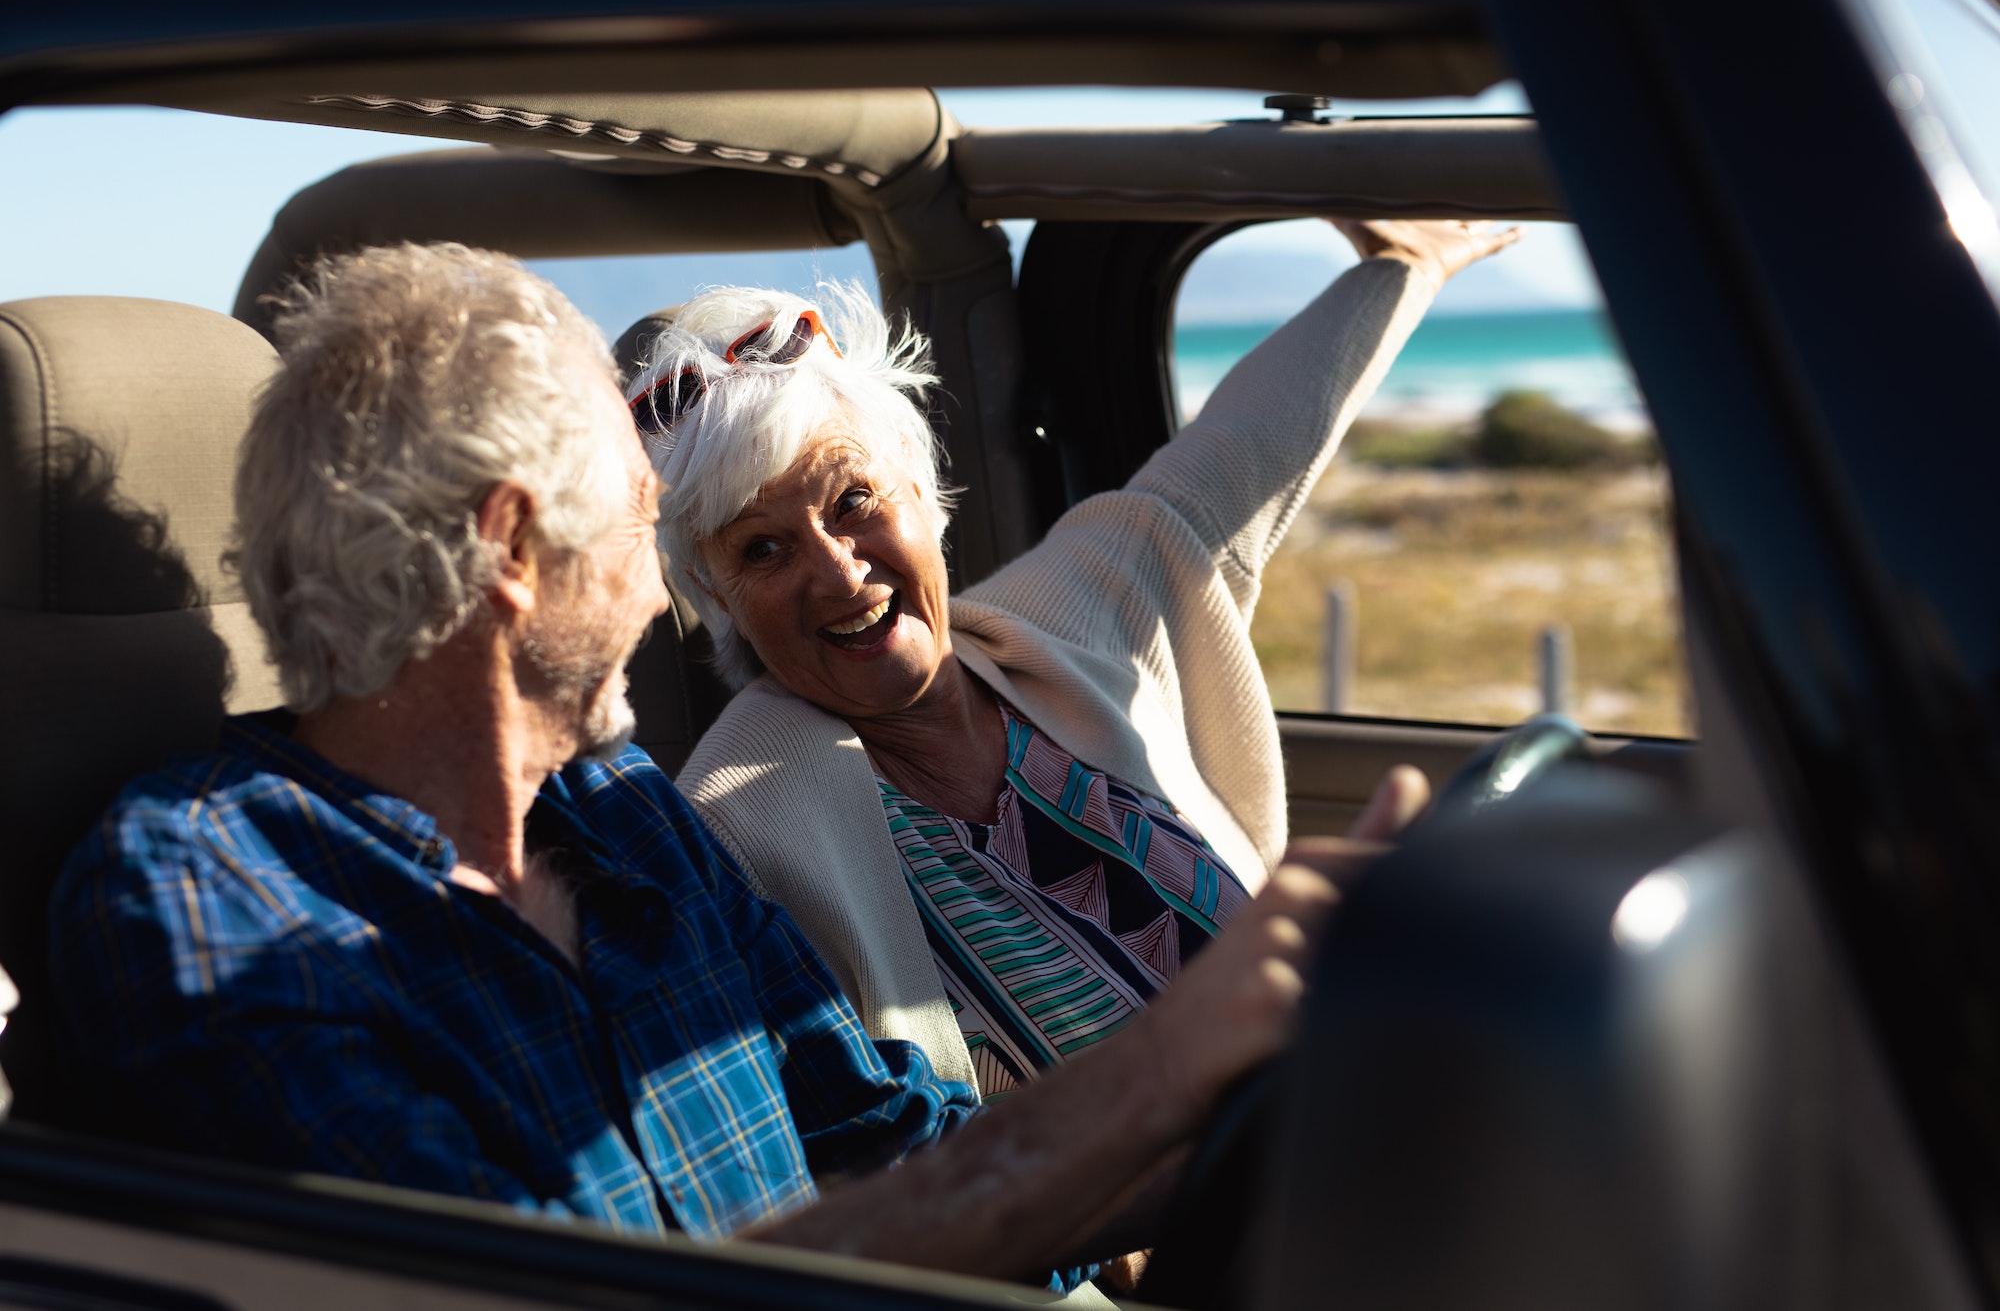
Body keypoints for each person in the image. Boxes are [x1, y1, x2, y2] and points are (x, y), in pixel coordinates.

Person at [48, 241, 1354, 1288]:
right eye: (646, 523)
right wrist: (1157, 1066)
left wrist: (1283, 1109)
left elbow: (900, 1146)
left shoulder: (621, 819)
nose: (669, 602)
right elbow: (516, 1284)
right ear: (515, 552)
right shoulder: (210, 906)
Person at [646, 219, 1511, 1097]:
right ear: (717, 598)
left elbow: (1246, 447)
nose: (838, 571)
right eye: (761, 550)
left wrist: (1407, 265)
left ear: (917, 481)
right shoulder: (732, 830)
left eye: (855, 498)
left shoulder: (1060, 618)